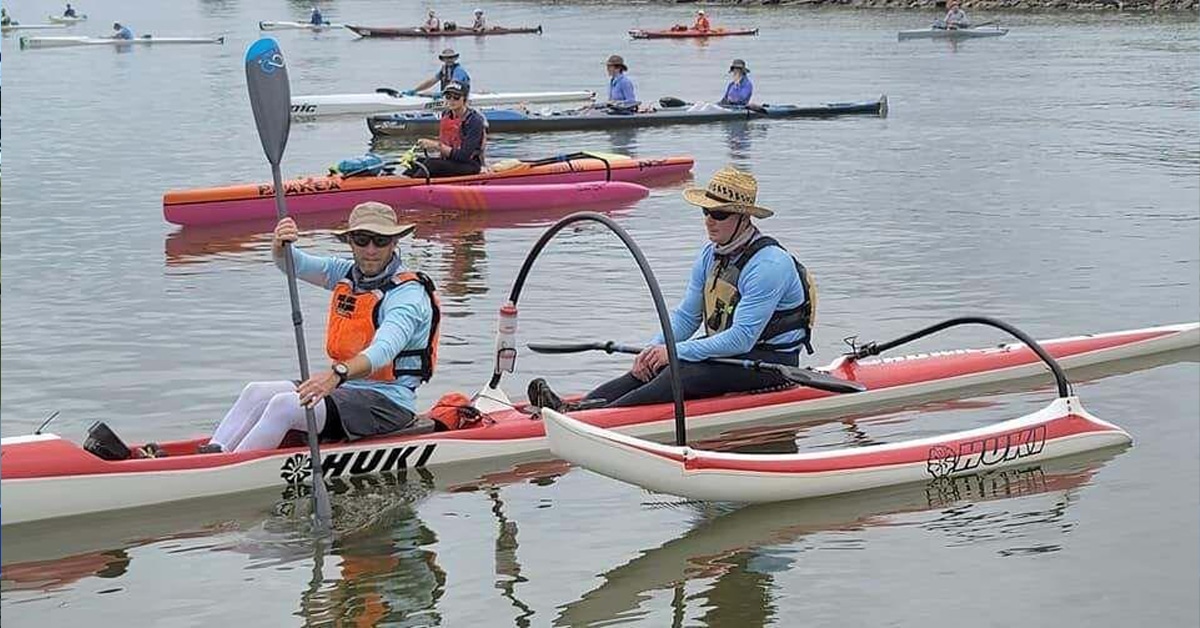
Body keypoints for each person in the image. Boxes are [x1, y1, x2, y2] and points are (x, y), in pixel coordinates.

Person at [528, 166, 816, 409]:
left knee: (678, 372)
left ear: (744, 217)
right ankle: (577, 408)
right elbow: (687, 317)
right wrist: (656, 348)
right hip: (734, 356)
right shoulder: (710, 254)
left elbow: (741, 339)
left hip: (771, 362)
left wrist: (674, 353)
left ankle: (589, 420)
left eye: (719, 214)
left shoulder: (768, 266)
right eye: (706, 211)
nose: (708, 221)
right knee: (656, 368)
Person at [202, 202, 441, 453]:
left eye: (380, 241)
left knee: (286, 405)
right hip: (347, 388)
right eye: (362, 239)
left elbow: (383, 351)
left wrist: (335, 375)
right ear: (350, 241)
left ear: (394, 243)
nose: (371, 250)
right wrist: (280, 243)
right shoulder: (346, 273)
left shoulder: (408, 296)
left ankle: (228, 470)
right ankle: (213, 455)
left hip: (388, 404)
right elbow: (294, 264)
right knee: (256, 393)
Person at [406, 81, 486, 178]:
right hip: (450, 161)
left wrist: (436, 146)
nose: (451, 100)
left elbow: (463, 156)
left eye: (456, 97)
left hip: (469, 164)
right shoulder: (446, 114)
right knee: (417, 162)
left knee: (431, 164)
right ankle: (397, 183)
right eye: (448, 97)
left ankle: (410, 187)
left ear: (464, 99)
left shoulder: (474, 121)